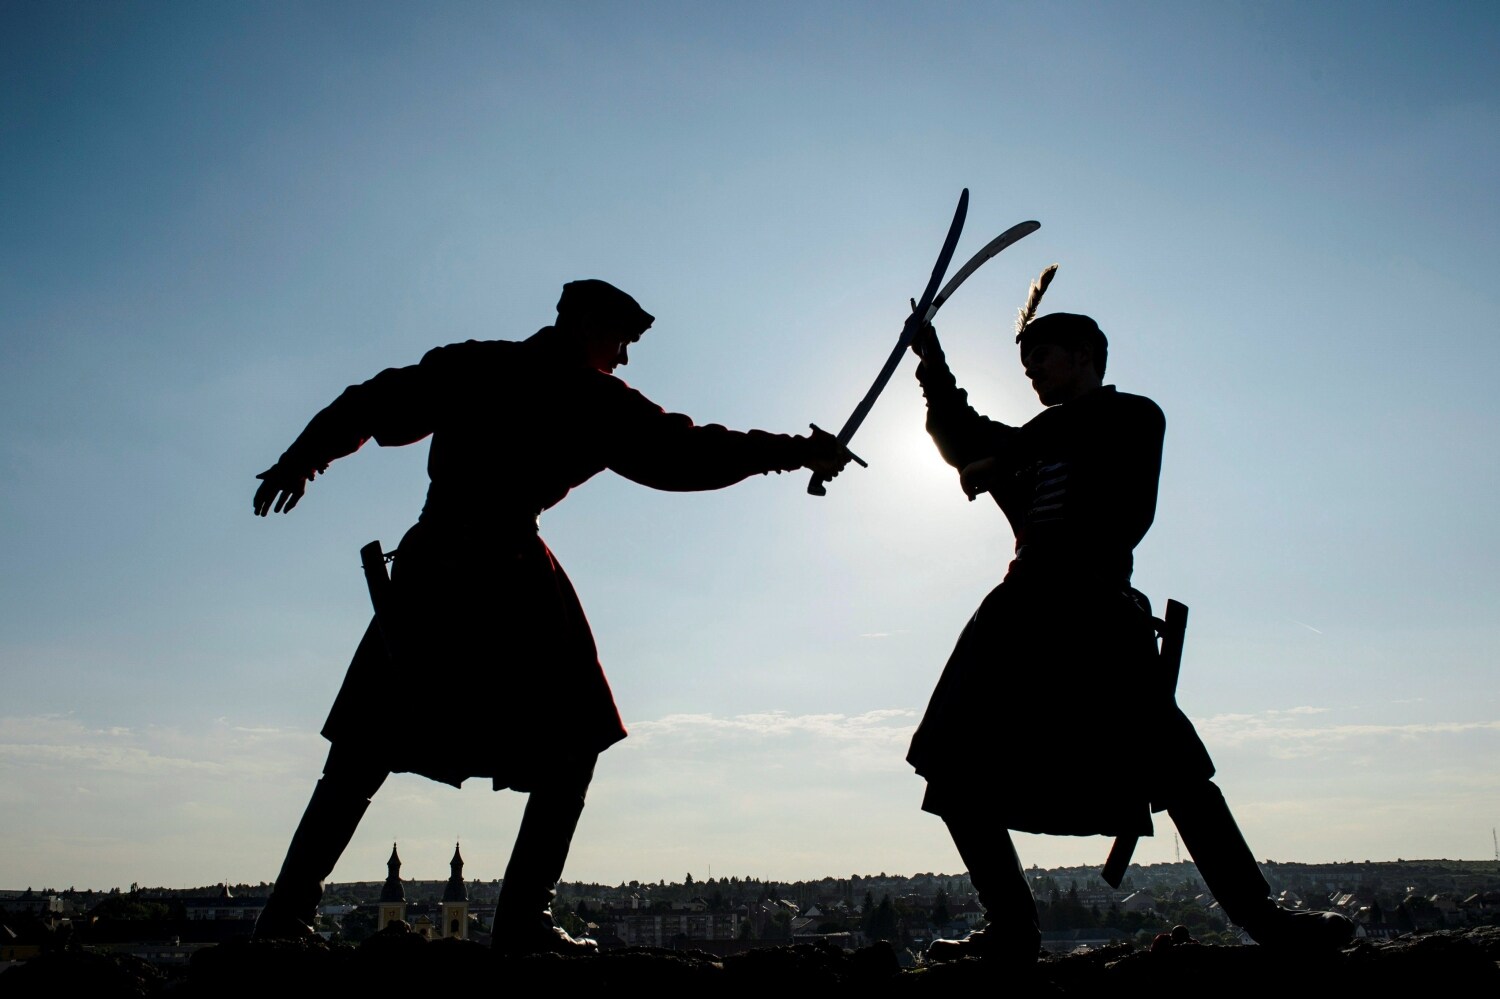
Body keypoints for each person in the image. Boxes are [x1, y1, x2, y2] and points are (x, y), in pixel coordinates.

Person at [250, 279, 849, 952]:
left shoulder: (473, 363)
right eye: (621, 339)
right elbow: (690, 451)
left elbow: (371, 403)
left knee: (363, 750)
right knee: (574, 738)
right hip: (505, 580)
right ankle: (521, 922)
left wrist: (303, 457)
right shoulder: (589, 399)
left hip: (434, 569)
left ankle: (286, 916)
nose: (623, 358)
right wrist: (796, 451)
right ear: (585, 321)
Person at [904, 278, 1352, 962]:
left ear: (1084, 354)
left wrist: (1007, 454)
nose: (1032, 377)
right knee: (954, 763)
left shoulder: (1132, 419)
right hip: (1018, 618)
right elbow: (966, 436)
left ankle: (1264, 918)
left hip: (1095, 616)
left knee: (1175, 770)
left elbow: (1054, 437)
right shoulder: (1035, 441)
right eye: (1025, 369)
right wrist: (931, 363)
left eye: (1042, 360)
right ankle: (1011, 929)